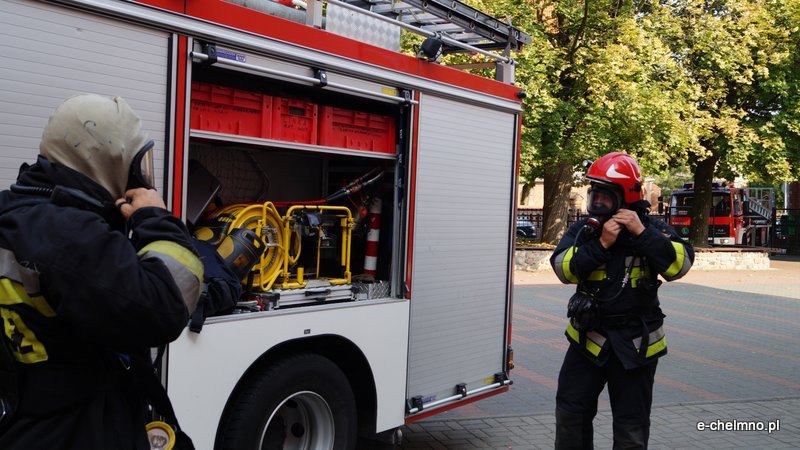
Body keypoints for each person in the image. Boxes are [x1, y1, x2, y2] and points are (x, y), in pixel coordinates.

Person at [0, 94, 203, 449]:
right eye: (139, 164)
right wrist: (155, 220)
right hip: (77, 430)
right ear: (108, 161)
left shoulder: (17, 211)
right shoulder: (70, 236)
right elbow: (165, 304)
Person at [550, 152, 693, 449]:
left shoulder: (654, 231)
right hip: (587, 341)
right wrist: (601, 244)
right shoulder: (585, 231)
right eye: (595, 194)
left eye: (606, 195)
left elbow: (679, 266)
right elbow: (562, 268)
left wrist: (641, 234)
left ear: (626, 197)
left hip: (635, 346)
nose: (598, 202)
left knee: (631, 427)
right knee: (571, 416)